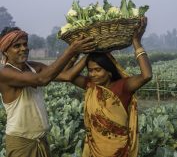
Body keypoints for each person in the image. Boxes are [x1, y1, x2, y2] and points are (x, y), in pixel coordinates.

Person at [0, 26, 96, 157]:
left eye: (25, 44)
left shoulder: (33, 66)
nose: (23, 48)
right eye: (17, 46)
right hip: (21, 143)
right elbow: (42, 79)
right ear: (5, 51)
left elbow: (65, 76)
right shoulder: (5, 73)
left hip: (41, 139)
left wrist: (87, 55)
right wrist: (72, 50)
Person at [65, 17, 152, 157]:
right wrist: (80, 53)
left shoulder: (123, 87)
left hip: (119, 151)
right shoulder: (90, 85)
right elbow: (66, 74)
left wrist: (136, 42)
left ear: (109, 72)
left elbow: (146, 75)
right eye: (90, 70)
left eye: (97, 70)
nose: (92, 74)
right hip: (94, 151)